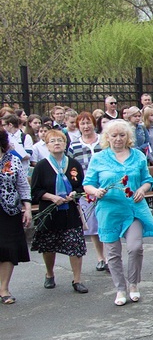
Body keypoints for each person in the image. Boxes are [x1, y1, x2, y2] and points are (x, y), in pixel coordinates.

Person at [83, 119, 153, 307]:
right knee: (113, 252)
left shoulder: (139, 156)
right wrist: (96, 191)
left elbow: (148, 179)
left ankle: (133, 284)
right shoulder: (99, 158)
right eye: (114, 135)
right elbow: (87, 183)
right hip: (109, 210)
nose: (118, 139)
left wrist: (143, 189)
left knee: (135, 247)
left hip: (133, 208)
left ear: (129, 137)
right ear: (107, 137)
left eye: (122, 135)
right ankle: (120, 288)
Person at [30, 129, 88, 293]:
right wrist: (52, 197)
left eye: (60, 140)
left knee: (75, 244)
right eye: (52, 141)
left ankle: (77, 280)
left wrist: (73, 194)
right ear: (47, 146)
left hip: (70, 211)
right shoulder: (41, 166)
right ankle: (49, 274)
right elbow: (35, 192)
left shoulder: (74, 164)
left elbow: (80, 186)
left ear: (65, 143)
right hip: (49, 212)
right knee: (49, 246)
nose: (56, 143)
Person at [69, 112, 107, 271]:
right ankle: (101, 258)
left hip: (105, 187)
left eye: (88, 123)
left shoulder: (104, 141)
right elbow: (72, 169)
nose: (86, 127)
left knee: (106, 222)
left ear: (93, 124)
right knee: (93, 225)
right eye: (82, 124)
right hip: (86, 190)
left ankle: (110, 256)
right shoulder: (74, 145)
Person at [0, 130, 33, 304]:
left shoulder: (12, 160)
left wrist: (27, 208)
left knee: (8, 248)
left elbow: (22, 185)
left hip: (9, 210)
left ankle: (4, 289)